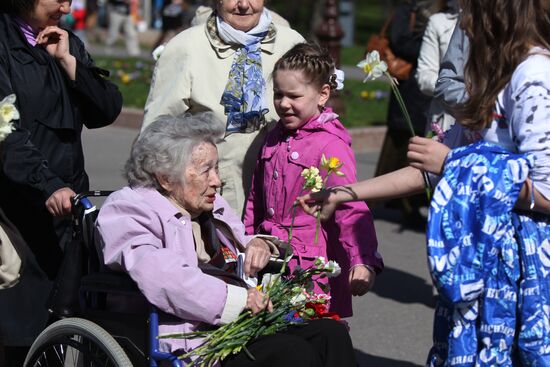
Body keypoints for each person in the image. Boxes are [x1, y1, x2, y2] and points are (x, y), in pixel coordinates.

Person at [300, 0, 550, 364]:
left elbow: (546, 192)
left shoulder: (534, 76)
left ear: (498, 14)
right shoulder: (496, 76)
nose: (463, 24)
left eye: (471, 13)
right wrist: (344, 193)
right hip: (482, 257)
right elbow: (429, 171)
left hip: (520, 271)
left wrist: (454, 162)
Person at [96, 113, 357, 367]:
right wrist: (236, 300)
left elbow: (240, 241)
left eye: (217, 168)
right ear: (165, 178)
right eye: (205, 170)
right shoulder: (128, 209)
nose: (217, 181)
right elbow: (160, 274)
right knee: (293, 353)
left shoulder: (210, 203)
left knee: (329, 333)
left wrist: (258, 244)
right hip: (193, 338)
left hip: (239, 323)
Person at [0, 0, 122, 365]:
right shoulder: (4, 44)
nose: (67, 8)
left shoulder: (65, 41)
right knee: (18, 327)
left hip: (66, 206)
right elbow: (5, 133)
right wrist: (47, 183)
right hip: (16, 208)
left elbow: (106, 110)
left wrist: (69, 63)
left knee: (61, 323)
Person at [243, 42, 383, 318]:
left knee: (310, 339)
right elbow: (255, 201)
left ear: (323, 94)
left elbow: (351, 208)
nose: (283, 104)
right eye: (278, 94)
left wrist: (362, 260)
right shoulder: (274, 136)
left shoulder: (330, 146)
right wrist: (247, 239)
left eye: (294, 96)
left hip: (310, 269)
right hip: (271, 261)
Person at [142, 0, 304, 217]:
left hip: (286, 198)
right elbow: (155, 137)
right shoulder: (186, 47)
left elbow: (315, 120)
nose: (244, 5)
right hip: (216, 202)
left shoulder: (291, 43)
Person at [372, 0, 438, 229]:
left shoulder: (441, 9)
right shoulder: (408, 8)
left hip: (426, 93)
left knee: (421, 144)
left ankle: (415, 203)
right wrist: (432, 45)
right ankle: (404, 205)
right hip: (409, 89)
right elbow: (399, 41)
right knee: (404, 147)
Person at [415, 0, 459, 135]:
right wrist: (458, 92)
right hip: (446, 122)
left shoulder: (496, 21)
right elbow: (424, 76)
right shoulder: (438, 22)